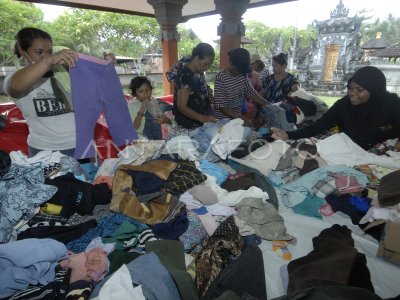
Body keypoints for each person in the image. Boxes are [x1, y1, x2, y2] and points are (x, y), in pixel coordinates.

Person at [271, 66, 400, 151]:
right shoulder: (344, 105)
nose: (352, 93)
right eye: (350, 88)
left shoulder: (392, 104)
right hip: (351, 152)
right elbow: (319, 126)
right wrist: (288, 134)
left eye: (359, 90)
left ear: (375, 90)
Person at [3, 27, 78, 157]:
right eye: (39, 52)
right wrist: (48, 61)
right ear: (22, 50)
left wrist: (105, 65)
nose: (46, 56)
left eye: (50, 52)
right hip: (45, 151)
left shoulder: (63, 74)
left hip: (81, 146)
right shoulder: (17, 79)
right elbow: (15, 87)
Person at [213, 48, 269, 127]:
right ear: (231, 63)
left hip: (237, 120)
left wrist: (269, 105)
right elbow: (221, 106)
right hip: (222, 121)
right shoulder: (221, 77)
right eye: (239, 69)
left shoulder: (243, 74)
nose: (241, 72)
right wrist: (242, 118)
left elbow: (251, 92)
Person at [167, 42, 216, 129]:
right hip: (186, 125)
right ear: (196, 57)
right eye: (205, 64)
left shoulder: (197, 73)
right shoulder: (185, 75)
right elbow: (181, 106)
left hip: (195, 122)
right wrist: (201, 118)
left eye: (209, 65)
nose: (206, 68)